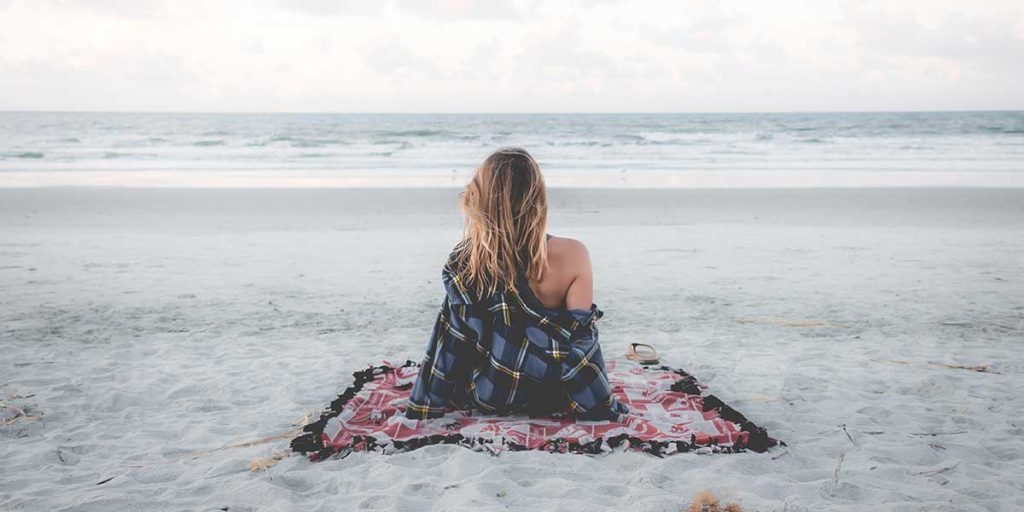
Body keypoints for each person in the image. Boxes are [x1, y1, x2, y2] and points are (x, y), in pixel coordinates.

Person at [405, 147, 627, 421]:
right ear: (537, 198)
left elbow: (451, 342)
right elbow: (580, 343)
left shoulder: (466, 259)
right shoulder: (573, 253)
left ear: (483, 200)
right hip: (555, 396)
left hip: (491, 395)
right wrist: (598, 405)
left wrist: (423, 409)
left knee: (456, 321)